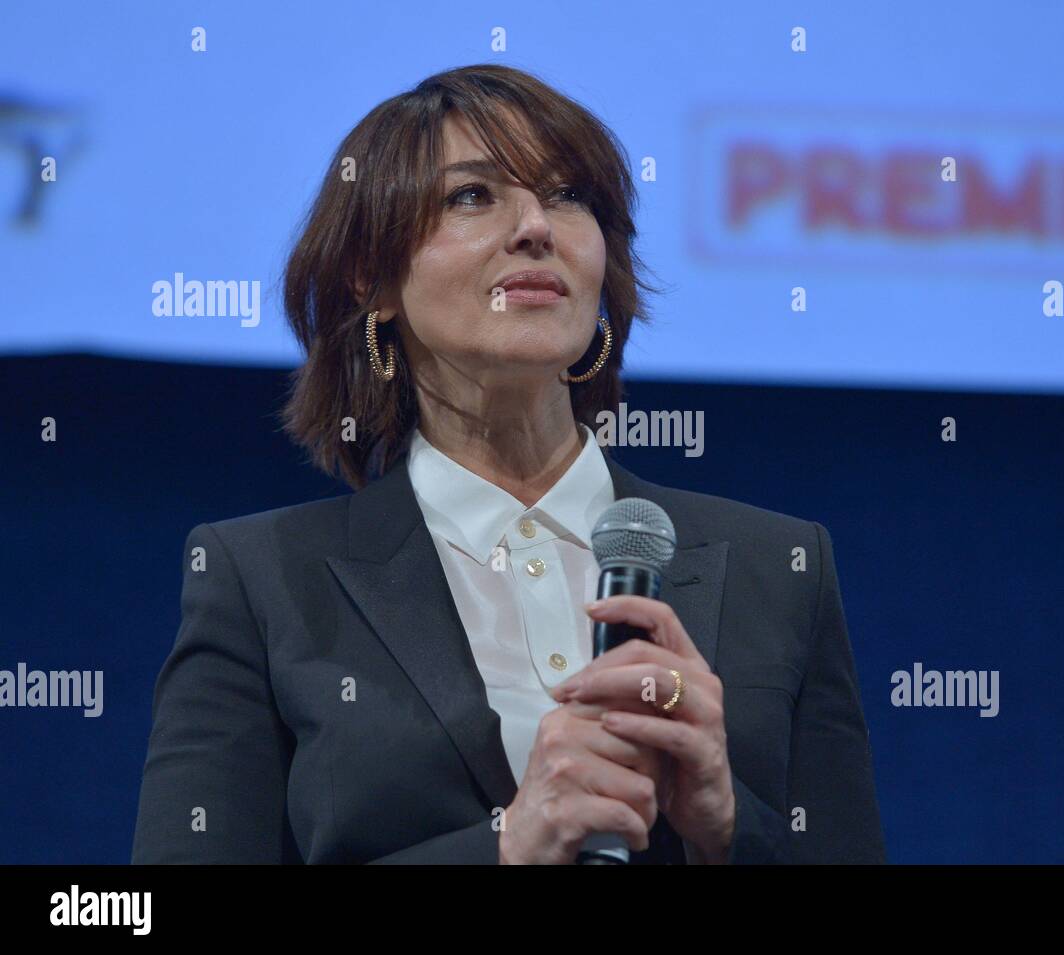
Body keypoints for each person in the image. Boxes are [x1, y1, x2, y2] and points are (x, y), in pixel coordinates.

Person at [130, 64, 886, 864]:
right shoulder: (264, 581)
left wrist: (729, 824)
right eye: (472, 197)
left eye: (568, 196)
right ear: (372, 279)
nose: (535, 227)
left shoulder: (783, 566)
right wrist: (507, 844)